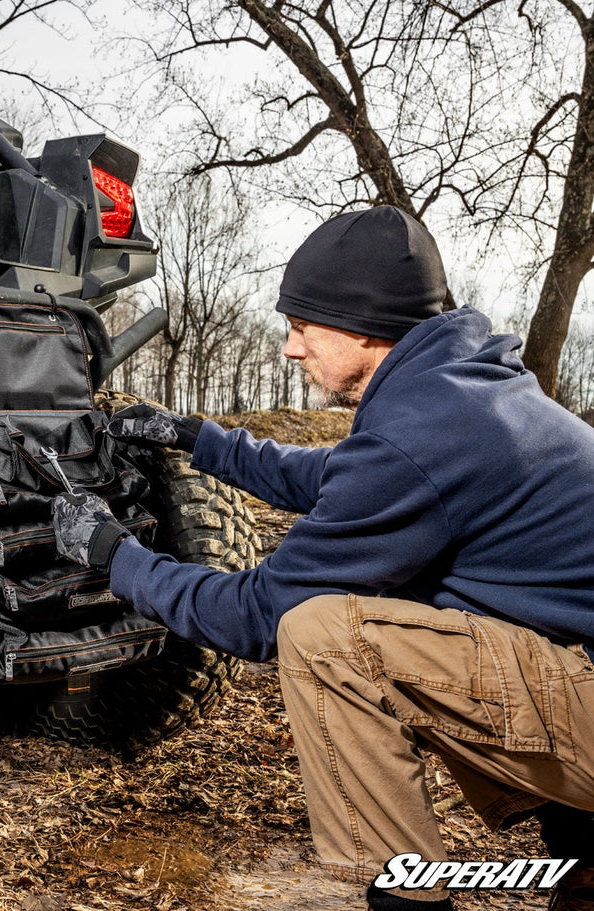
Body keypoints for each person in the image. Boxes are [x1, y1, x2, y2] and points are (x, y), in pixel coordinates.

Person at [52, 205, 594, 911]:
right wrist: (196, 435)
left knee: (325, 637)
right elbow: (339, 478)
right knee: (449, 621)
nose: (289, 348)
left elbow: (254, 616)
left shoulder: (422, 435)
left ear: (364, 326)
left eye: (303, 327)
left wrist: (113, 556)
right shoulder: (465, 393)